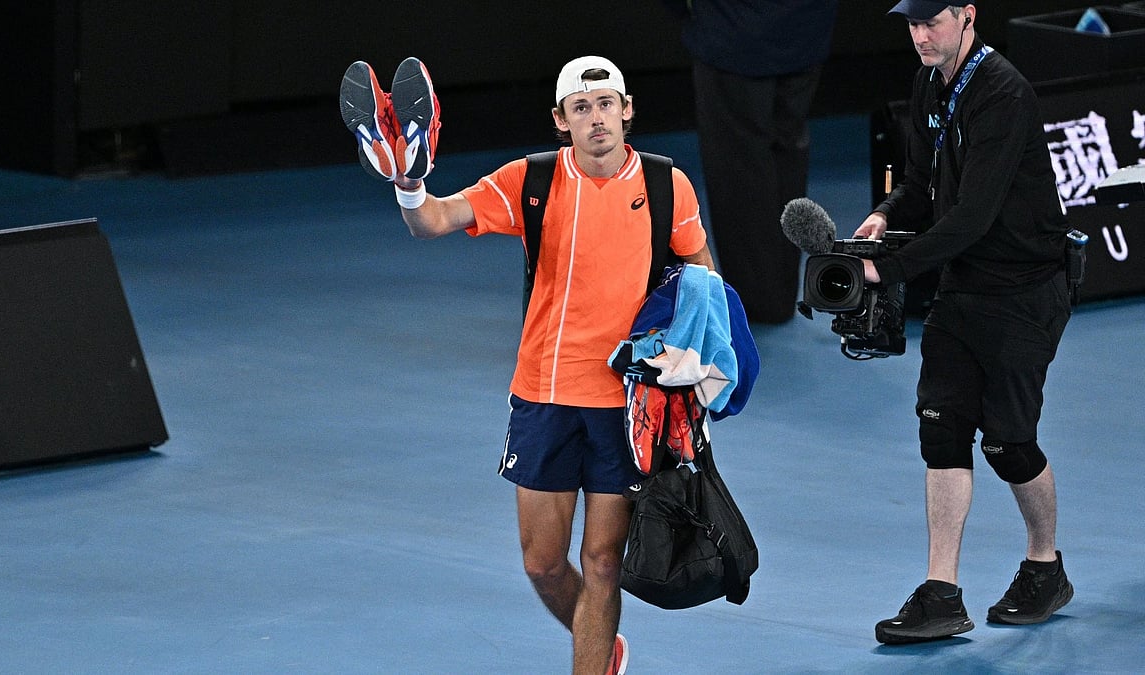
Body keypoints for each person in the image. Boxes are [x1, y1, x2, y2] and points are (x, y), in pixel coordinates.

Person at [341, 54, 714, 673]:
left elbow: (704, 283)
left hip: (626, 408)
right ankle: (600, 643)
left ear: (626, 111)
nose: (596, 119)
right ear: (561, 121)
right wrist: (408, 183)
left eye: (605, 105)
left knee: (601, 562)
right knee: (543, 562)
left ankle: (590, 661)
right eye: (580, 109)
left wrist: (701, 371)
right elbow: (431, 221)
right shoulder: (530, 180)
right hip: (543, 394)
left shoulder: (666, 185)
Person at [856, 1, 1075, 645]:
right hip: (964, 284)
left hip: (1025, 288)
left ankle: (1045, 566)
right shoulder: (929, 79)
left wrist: (888, 271)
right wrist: (885, 215)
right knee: (942, 429)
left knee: (1008, 442)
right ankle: (941, 593)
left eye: (933, 22)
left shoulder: (1003, 94)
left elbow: (972, 215)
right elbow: (923, 185)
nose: (921, 36)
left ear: (968, 17)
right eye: (912, 25)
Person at [663, 0, 839, 323]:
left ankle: (757, 303)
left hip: (731, 35)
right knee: (787, 153)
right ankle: (778, 295)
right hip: (805, 31)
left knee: (739, 166)